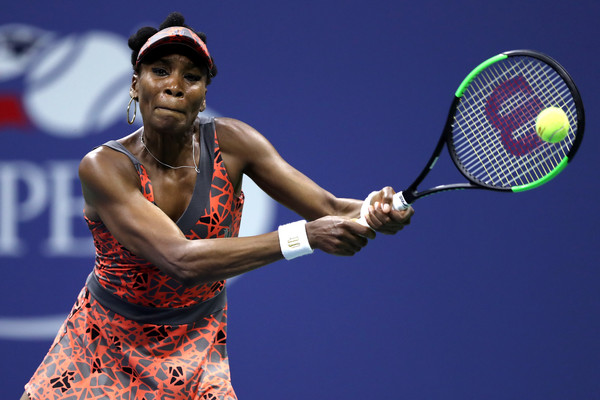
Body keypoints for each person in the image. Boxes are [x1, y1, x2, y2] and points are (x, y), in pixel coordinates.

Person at [22, 12, 413, 400]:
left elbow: (328, 207)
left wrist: (375, 210)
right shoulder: (104, 167)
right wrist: (304, 237)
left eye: (191, 77)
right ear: (134, 85)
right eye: (160, 71)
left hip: (196, 352)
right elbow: (180, 260)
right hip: (101, 354)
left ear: (204, 95)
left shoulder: (234, 142)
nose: (175, 86)